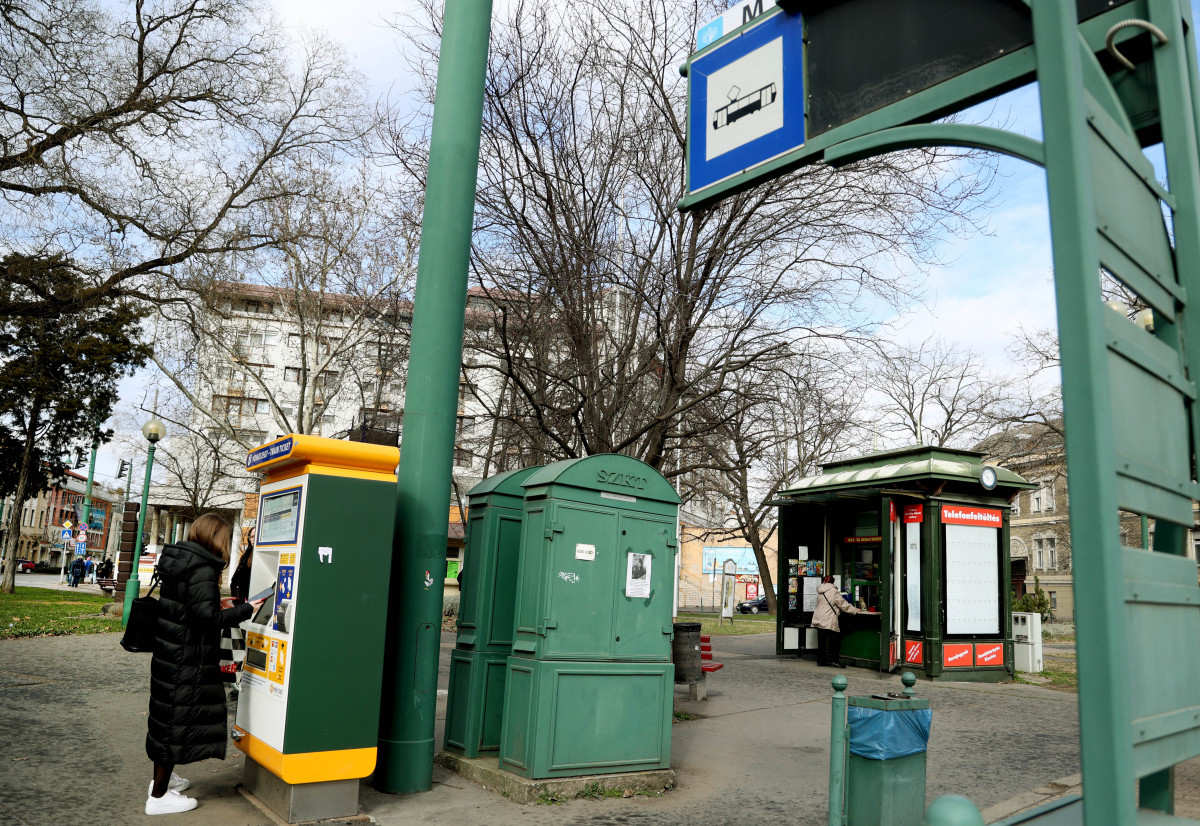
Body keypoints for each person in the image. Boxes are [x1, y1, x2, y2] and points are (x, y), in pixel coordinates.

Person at [144, 513, 265, 816]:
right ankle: (158, 798)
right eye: (225, 538)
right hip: (187, 659)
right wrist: (247, 609)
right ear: (216, 538)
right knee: (175, 723)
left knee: (168, 720)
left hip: (171, 653)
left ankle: (162, 781)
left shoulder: (181, 559)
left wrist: (220, 604)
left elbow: (192, 606)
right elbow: (206, 620)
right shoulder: (203, 568)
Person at [812, 574, 858, 668]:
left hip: (819, 618)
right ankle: (834, 661)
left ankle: (821, 661)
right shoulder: (833, 591)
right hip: (829, 618)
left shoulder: (820, 590)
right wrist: (855, 610)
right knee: (835, 640)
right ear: (833, 582)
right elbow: (843, 604)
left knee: (822, 641)